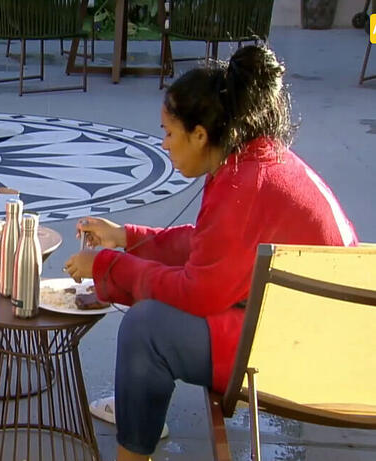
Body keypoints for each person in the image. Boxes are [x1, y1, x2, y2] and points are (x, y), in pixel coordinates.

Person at [64, 45, 358, 461]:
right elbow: (208, 246)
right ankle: (140, 412)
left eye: (168, 132)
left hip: (304, 355)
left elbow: (197, 292)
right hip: (317, 330)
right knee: (154, 319)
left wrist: (107, 266)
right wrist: (127, 237)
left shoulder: (244, 185)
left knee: (147, 330)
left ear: (200, 134)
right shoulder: (253, 161)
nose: (163, 144)